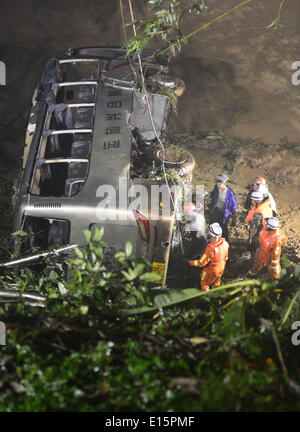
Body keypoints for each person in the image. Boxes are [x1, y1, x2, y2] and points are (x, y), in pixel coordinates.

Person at [186, 223, 229, 291]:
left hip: (212, 271)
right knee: (216, 283)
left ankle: (206, 297)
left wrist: (189, 262)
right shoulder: (225, 244)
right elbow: (226, 258)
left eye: (210, 236)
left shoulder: (211, 248)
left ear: (212, 236)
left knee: (204, 283)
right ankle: (215, 293)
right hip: (221, 268)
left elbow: (201, 263)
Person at [209, 173, 237, 243]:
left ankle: (226, 245)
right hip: (215, 211)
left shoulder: (230, 194)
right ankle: (214, 242)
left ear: (224, 183)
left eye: (219, 183)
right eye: (217, 183)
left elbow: (234, 207)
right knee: (213, 227)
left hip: (223, 215)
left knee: (223, 230)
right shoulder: (216, 188)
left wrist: (234, 219)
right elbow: (213, 194)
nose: (217, 184)